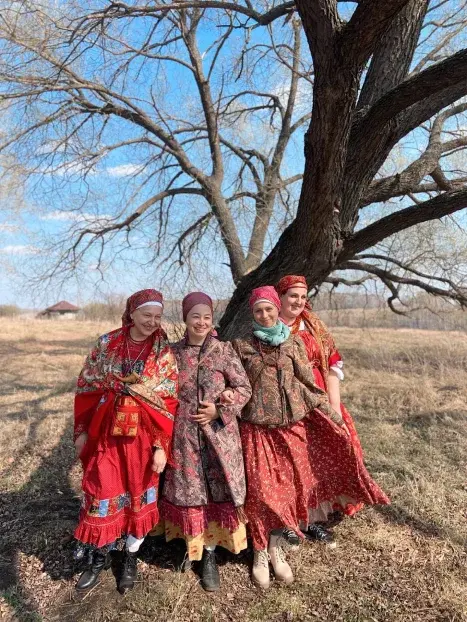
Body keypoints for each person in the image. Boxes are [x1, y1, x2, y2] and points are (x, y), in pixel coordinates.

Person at [233, 286, 346, 589]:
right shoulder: (241, 346)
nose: (265, 315)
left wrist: (335, 417)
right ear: (252, 313)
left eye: (269, 309)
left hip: (290, 429)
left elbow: (308, 385)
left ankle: (276, 548)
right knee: (260, 493)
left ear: (276, 309)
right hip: (256, 430)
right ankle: (259, 552)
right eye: (259, 310)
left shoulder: (294, 343)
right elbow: (233, 386)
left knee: (285, 492)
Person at [73, 289, 178, 592]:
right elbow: (87, 387)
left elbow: (168, 402)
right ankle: (99, 556)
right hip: (106, 435)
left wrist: (160, 446)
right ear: (132, 313)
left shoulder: (163, 354)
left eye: (157, 316)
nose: (152, 321)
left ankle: (130, 556)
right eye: (146, 315)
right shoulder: (107, 344)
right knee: (101, 492)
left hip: (143, 439)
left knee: (139, 496)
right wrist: (81, 431)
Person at [276, 275, 389, 544]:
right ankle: (289, 521)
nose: (298, 302)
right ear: (279, 297)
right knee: (291, 462)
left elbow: (332, 368)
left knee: (317, 459)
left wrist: (334, 408)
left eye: (303, 297)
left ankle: (313, 519)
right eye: (293, 296)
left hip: (319, 400)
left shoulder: (314, 326)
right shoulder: (269, 325)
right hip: (285, 403)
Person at [159, 292, 252, 592]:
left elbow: (244, 388)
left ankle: (209, 554)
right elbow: (160, 390)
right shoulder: (172, 353)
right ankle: (192, 547)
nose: (201, 322)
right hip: (183, 437)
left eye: (206, 317)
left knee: (216, 492)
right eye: (195, 316)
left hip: (219, 438)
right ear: (185, 318)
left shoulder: (223, 350)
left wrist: (220, 409)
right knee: (190, 492)